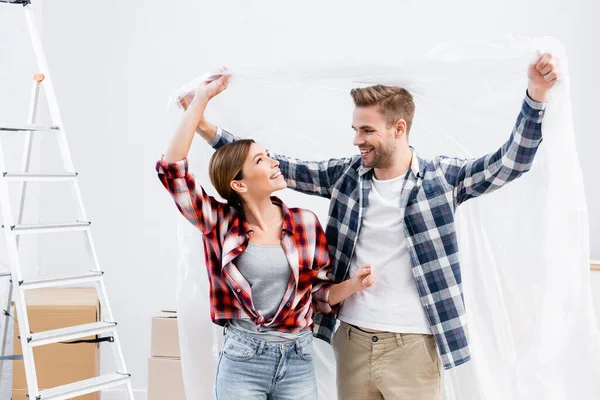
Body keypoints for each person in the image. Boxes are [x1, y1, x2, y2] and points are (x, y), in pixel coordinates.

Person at [186, 52, 558, 399]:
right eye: (355, 129)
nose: (356, 140)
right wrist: (205, 128)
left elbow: (509, 164)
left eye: (366, 130)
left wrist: (536, 96)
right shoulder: (348, 176)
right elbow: (276, 165)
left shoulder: (442, 179)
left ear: (399, 128)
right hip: (352, 339)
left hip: (412, 344)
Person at [156, 78, 376, 400]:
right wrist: (202, 99)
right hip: (242, 361)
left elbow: (318, 295)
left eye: (268, 155)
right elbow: (172, 171)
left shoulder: (305, 224)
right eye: (261, 160)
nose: (274, 162)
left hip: (298, 359)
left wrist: (353, 285)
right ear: (240, 185)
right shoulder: (219, 222)